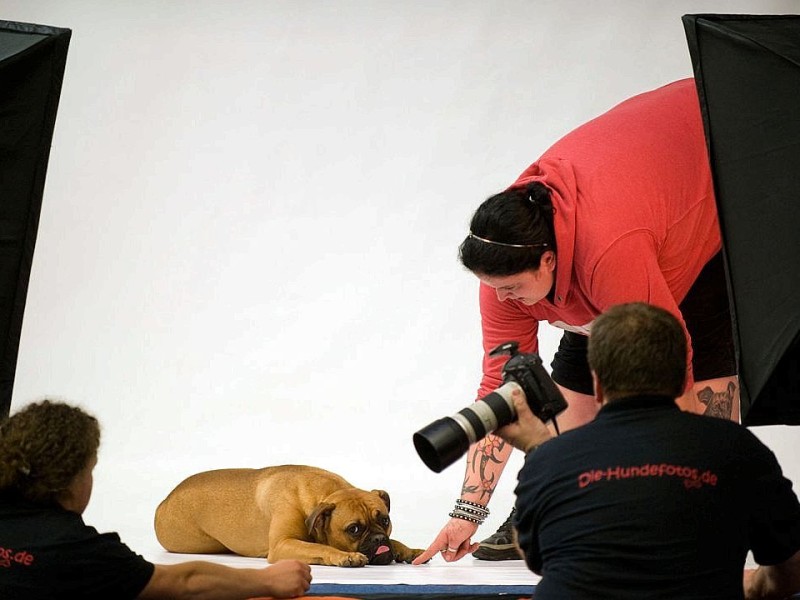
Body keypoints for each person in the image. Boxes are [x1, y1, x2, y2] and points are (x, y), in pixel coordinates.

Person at [413, 77, 740, 564]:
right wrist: (468, 509)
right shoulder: (505, 263)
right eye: (495, 287)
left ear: (549, 261)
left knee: (677, 434)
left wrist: (671, 500)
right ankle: (557, 508)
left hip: (718, 145)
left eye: (513, 289)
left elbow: (671, 370)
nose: (504, 299)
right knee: (570, 438)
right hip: (621, 220)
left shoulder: (609, 256)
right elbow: (503, 389)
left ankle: (699, 514)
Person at [493, 302, 800, 599]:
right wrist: (757, 587)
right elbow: (790, 564)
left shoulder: (549, 458)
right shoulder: (739, 450)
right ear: (683, 379)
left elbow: (536, 555)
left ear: (597, 384)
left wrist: (538, 449)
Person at [0, 399, 312, 600]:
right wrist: (268, 580)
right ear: (71, 479)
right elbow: (186, 584)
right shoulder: (80, 552)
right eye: (90, 470)